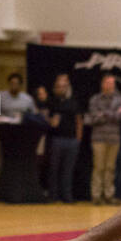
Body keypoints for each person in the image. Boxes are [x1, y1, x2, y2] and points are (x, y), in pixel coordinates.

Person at [86, 73, 121, 203]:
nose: (111, 86)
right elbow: (92, 118)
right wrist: (113, 114)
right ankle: (96, 196)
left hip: (114, 139)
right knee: (99, 167)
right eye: (108, 83)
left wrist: (104, 113)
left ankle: (109, 195)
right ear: (103, 84)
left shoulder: (119, 99)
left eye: (112, 84)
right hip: (98, 138)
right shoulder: (95, 99)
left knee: (110, 168)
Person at [45, 72, 80, 203]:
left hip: (71, 140)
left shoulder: (73, 102)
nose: (62, 88)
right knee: (54, 169)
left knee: (68, 170)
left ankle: (67, 196)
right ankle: (53, 196)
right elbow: (46, 118)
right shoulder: (52, 102)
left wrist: (78, 139)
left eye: (64, 86)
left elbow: (78, 121)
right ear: (55, 88)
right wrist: (51, 121)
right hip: (56, 140)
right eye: (59, 86)